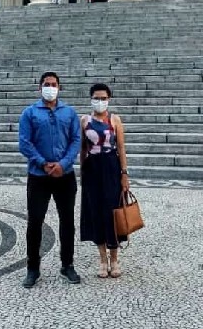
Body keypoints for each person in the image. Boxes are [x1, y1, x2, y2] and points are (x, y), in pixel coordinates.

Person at [18, 72, 82, 288]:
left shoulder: (69, 112)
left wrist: (63, 164)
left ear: (59, 87)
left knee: (67, 221)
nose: (50, 88)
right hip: (39, 176)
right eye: (47, 84)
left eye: (54, 84)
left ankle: (67, 264)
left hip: (65, 175)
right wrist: (43, 163)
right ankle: (33, 268)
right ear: (40, 87)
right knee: (35, 222)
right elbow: (24, 142)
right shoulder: (30, 113)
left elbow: (76, 140)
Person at [80, 83, 130, 279]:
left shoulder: (115, 120)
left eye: (103, 98)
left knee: (113, 211)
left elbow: (121, 148)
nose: (99, 101)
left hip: (111, 167)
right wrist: (82, 172)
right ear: (91, 98)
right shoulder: (84, 120)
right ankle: (102, 259)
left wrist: (124, 174)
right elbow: (83, 148)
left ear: (109, 99)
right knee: (96, 212)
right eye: (96, 98)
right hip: (92, 168)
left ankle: (115, 258)